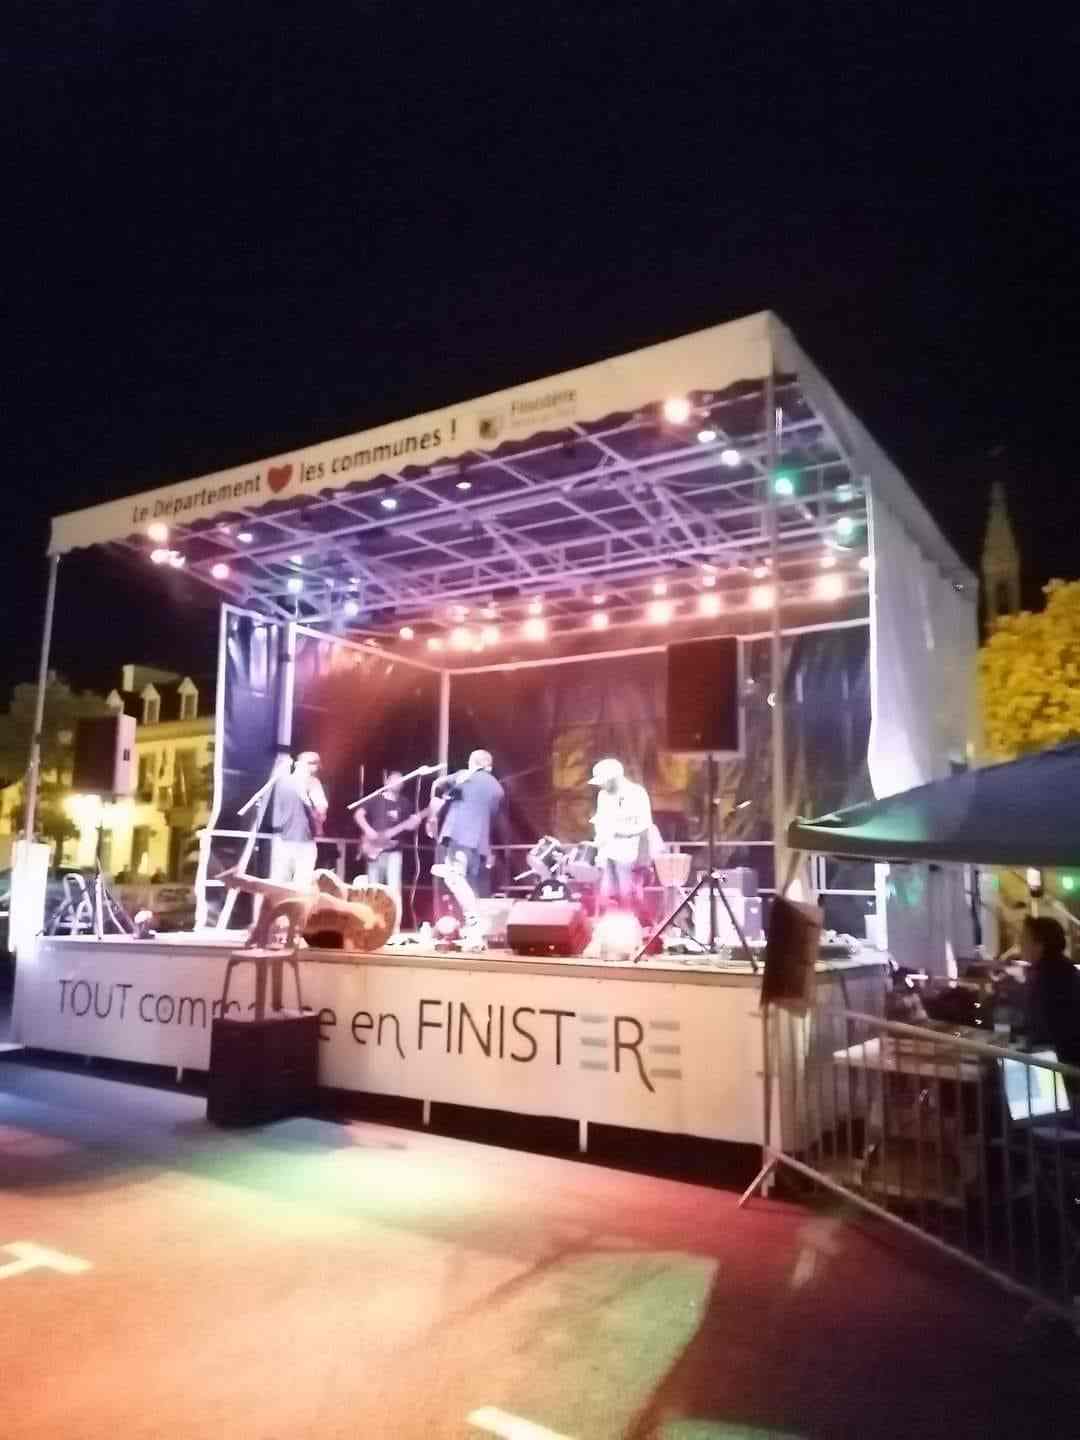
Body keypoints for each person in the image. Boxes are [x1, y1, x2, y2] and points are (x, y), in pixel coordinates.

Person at [1020, 916, 1080, 1104]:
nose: (1020, 944)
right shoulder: (1061, 970)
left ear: (1040, 945)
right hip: (1057, 1061)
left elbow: (1049, 1026)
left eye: (1025, 939)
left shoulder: (1052, 978)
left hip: (1058, 1065)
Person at [431, 750, 505, 901]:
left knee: (454, 877)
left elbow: (437, 784)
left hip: (458, 836)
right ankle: (474, 912)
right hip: (479, 844)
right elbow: (492, 816)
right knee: (470, 882)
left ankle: (472, 912)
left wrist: (432, 816)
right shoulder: (498, 789)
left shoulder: (465, 775)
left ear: (472, 763)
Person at [588, 757, 652, 914]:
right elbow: (601, 822)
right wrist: (598, 845)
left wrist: (643, 858)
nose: (601, 785)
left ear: (614, 778)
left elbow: (644, 826)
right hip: (607, 850)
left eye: (604, 781)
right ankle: (611, 925)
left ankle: (633, 924)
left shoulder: (636, 793)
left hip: (629, 851)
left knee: (628, 895)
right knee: (606, 895)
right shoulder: (603, 795)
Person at [354, 770, 416, 905]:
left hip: (394, 850)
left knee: (394, 889)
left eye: (400, 780)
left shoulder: (405, 803)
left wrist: (414, 823)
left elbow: (411, 825)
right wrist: (369, 831)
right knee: (373, 888)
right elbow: (358, 815)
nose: (397, 783)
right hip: (374, 849)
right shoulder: (375, 799)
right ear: (387, 782)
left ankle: (394, 916)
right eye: (394, 780)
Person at [268, 752, 327, 889]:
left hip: (281, 839)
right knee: (302, 885)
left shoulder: (281, 782)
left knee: (279, 884)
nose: (317, 768)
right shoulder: (312, 782)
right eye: (316, 764)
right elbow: (321, 810)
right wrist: (319, 824)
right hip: (304, 839)